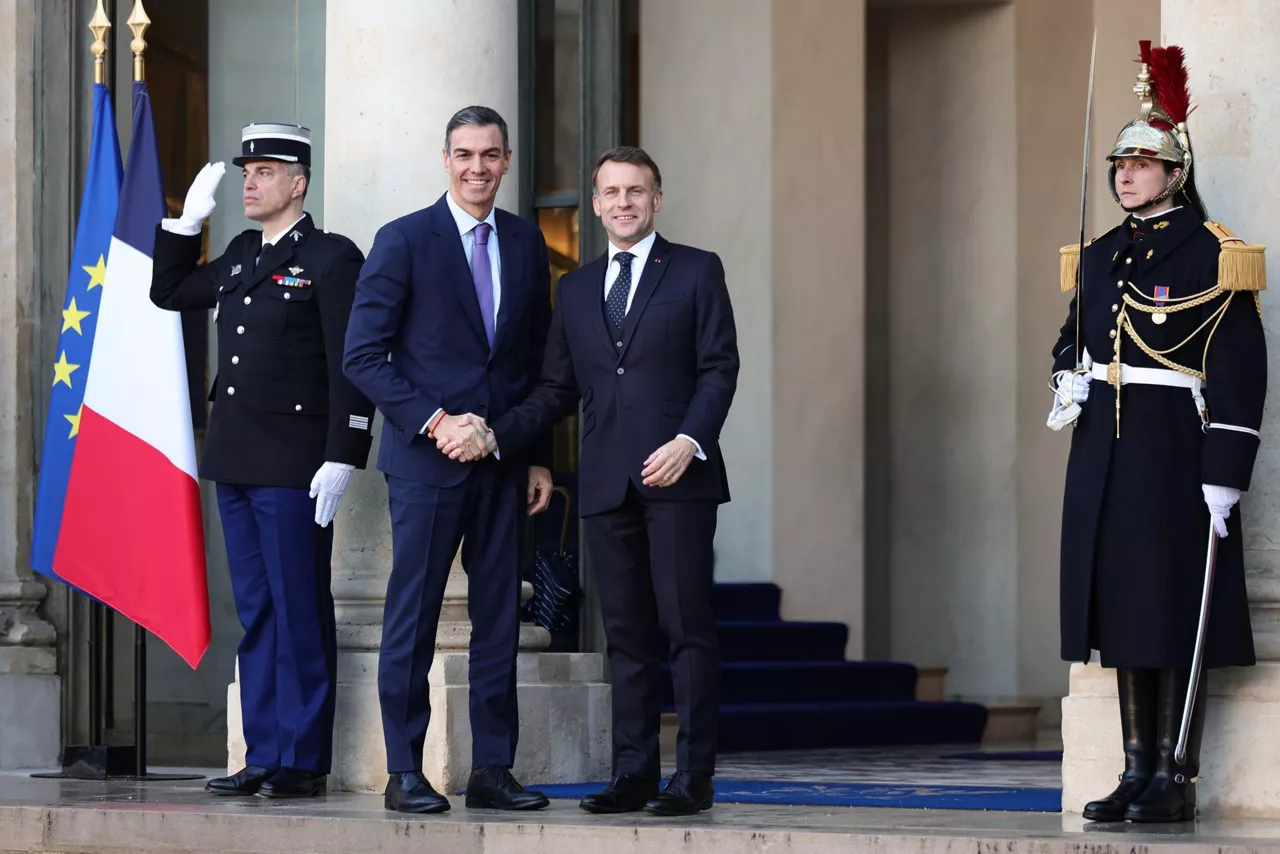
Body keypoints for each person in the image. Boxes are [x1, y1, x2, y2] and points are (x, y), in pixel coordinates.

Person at [445, 146, 740, 816]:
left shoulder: (696, 270)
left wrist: (690, 441)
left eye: (636, 191)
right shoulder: (576, 288)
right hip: (607, 484)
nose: (623, 203)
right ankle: (633, 773)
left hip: (680, 478)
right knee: (627, 636)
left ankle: (693, 776)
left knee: (687, 627)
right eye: (610, 192)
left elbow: (719, 367)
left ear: (657, 199)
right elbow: (555, 388)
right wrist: (502, 435)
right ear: (597, 203)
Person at [1047, 42, 1266, 823]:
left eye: (1141, 164)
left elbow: (1240, 365)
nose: (1125, 175)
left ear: (1175, 172)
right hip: (1105, 452)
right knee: (1123, 611)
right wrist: (1066, 377)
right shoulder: (1103, 254)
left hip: (1175, 451)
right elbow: (1072, 338)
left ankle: (1177, 774)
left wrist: (1225, 469)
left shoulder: (1213, 251)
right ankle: (1137, 768)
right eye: (1118, 165)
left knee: (1172, 607)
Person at [150, 123, 376, 799]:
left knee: (299, 606)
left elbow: (350, 364)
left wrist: (346, 452)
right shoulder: (245, 253)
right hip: (239, 458)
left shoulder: (332, 258)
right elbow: (170, 291)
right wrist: (186, 224)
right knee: (258, 610)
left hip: (296, 463)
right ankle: (263, 752)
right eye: (247, 170)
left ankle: (302, 760)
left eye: (265, 171)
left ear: (298, 182)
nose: (249, 181)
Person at [341, 106, 555, 814]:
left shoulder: (526, 244)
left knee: (498, 617)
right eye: (464, 154)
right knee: (414, 613)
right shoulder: (404, 240)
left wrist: (533, 455)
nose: (477, 168)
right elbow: (363, 355)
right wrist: (438, 422)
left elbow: (532, 366)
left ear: (508, 159)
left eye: (490, 155)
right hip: (428, 464)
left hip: (503, 463)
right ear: (445, 158)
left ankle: (493, 768)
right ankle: (405, 770)